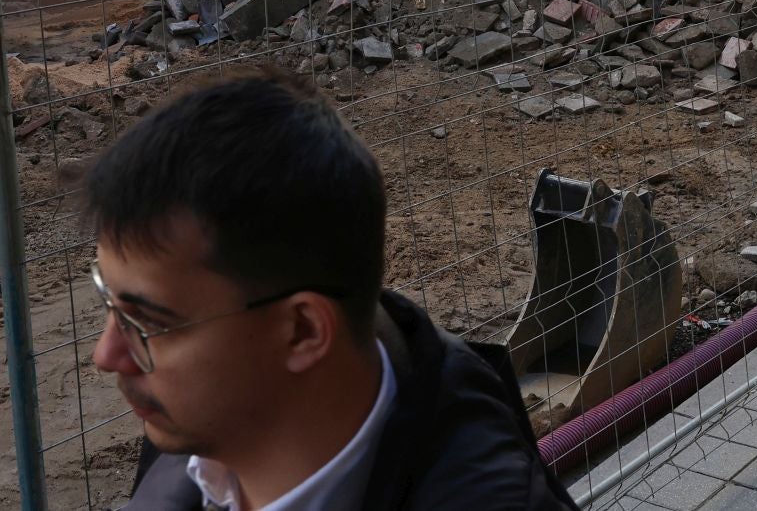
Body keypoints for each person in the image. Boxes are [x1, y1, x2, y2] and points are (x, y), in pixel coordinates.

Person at [87, 70, 578, 511]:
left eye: (146, 322)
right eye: (108, 300)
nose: (106, 354)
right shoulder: (204, 428)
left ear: (302, 331)